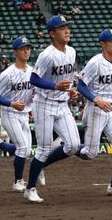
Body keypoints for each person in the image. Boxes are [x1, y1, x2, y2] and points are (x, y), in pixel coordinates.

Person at [26, 15, 80, 203]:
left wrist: (70, 90)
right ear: (52, 33)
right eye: (61, 28)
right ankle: (30, 188)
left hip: (62, 103)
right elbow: (33, 79)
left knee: (73, 145)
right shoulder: (47, 54)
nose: (66, 30)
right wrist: (55, 87)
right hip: (44, 103)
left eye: (67, 27)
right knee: (43, 148)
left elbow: (68, 76)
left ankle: (41, 166)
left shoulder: (71, 51)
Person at [76, 29, 112, 195]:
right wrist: (96, 100)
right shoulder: (95, 62)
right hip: (95, 109)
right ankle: (68, 146)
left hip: (110, 108)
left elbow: (111, 88)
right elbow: (81, 86)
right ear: (103, 44)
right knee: (90, 153)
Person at [0, 37, 35, 194]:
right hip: (9, 113)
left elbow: (33, 91)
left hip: (23, 113)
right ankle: (17, 182)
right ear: (15, 52)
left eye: (28, 48)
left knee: (27, 150)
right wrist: (11, 103)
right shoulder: (7, 74)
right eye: (22, 48)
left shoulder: (32, 71)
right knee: (22, 148)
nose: (26, 51)